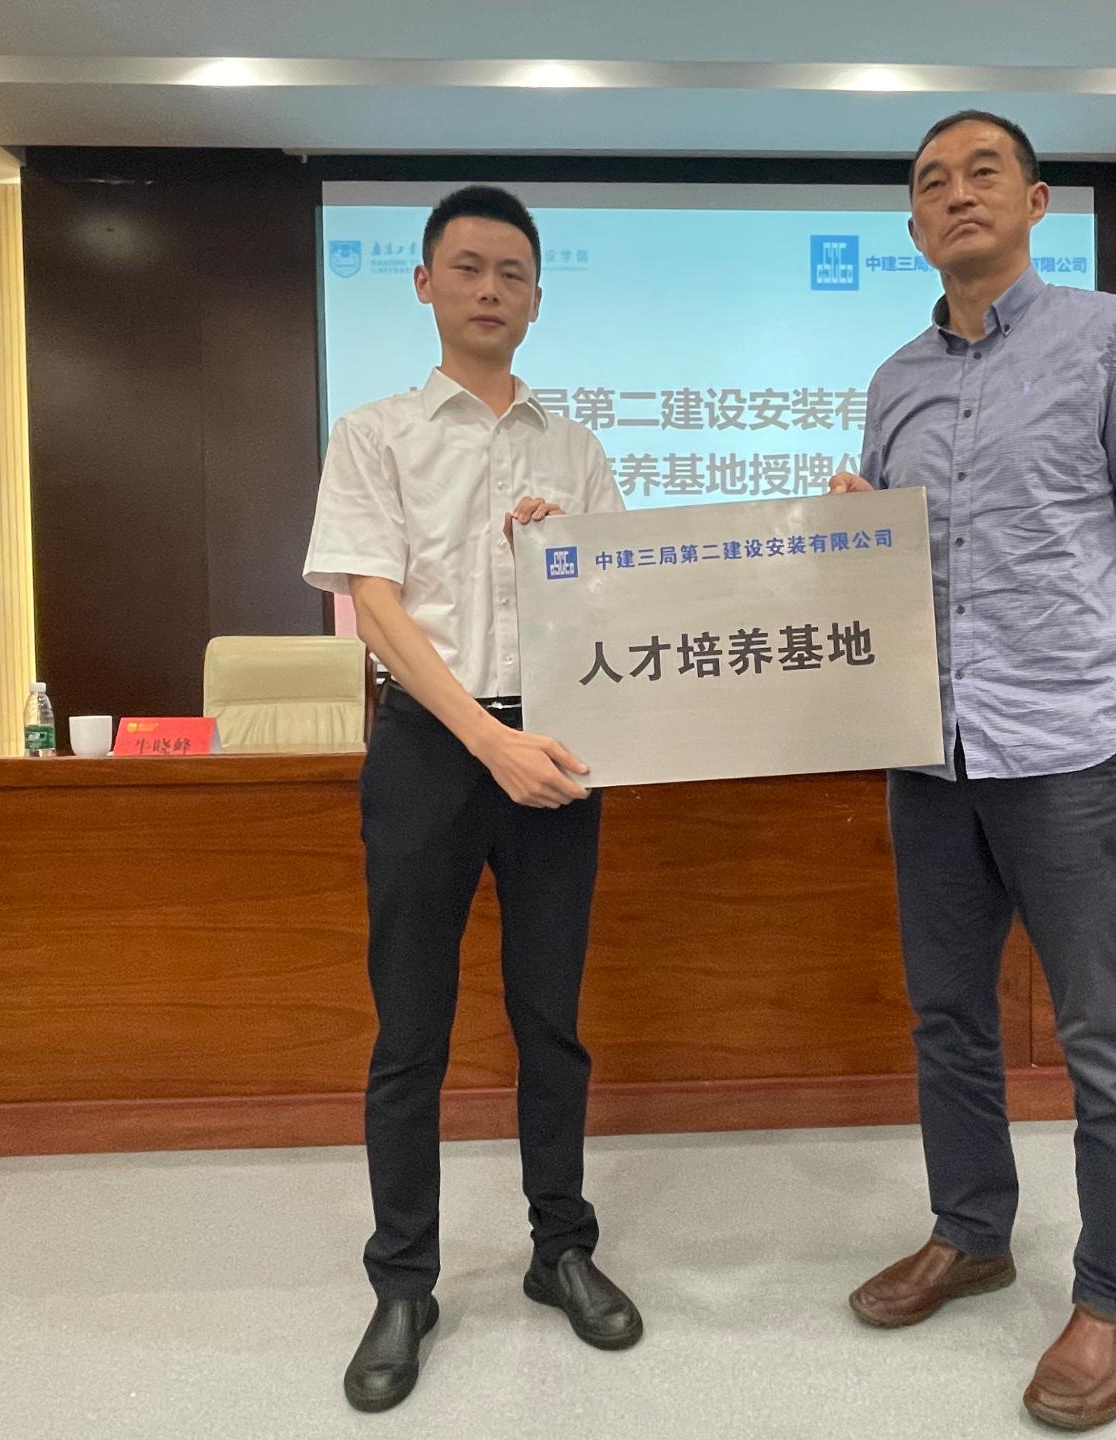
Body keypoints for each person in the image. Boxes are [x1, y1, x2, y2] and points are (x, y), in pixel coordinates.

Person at [830, 110, 1116, 1431]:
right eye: (931, 182)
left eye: (982, 172)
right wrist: (847, 537)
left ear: (1037, 201)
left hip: (1065, 744)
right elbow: (889, 573)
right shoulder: (893, 381)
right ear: (913, 225)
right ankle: (973, 1232)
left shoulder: (1115, 337)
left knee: (1103, 1032)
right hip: (929, 752)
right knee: (947, 1016)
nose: (957, 194)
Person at [304, 185, 642, 1415]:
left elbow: (622, 601)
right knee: (411, 1031)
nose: (490, 288)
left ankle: (562, 1248)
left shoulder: (578, 448)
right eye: (467, 267)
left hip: (557, 743)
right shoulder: (376, 433)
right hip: (432, 750)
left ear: (538, 296)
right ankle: (405, 1283)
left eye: (512, 272)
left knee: (552, 1018)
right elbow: (375, 608)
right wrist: (486, 742)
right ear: (424, 284)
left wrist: (567, 559)